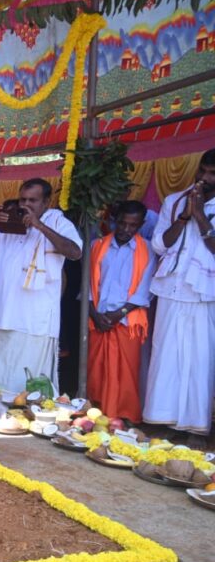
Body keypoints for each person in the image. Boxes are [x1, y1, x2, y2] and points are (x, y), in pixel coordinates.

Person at [0, 178, 82, 393]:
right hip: (4, 315)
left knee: (31, 380)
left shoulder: (58, 222)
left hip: (36, 320)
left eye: (32, 200)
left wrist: (38, 225)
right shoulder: (9, 220)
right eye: (23, 199)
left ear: (47, 202)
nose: (26, 205)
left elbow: (74, 252)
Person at [143, 150, 215, 439]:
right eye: (203, 171)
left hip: (203, 293)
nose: (205, 178)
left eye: (212, 174)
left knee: (199, 359)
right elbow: (159, 245)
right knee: (166, 355)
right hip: (171, 288)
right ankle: (162, 419)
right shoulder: (174, 201)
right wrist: (185, 216)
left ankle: (194, 426)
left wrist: (200, 216)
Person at [87, 201, 155, 423]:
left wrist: (119, 313)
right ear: (115, 220)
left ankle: (124, 416)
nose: (126, 229)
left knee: (126, 372)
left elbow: (145, 290)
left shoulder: (148, 250)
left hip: (127, 321)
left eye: (132, 225)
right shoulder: (97, 245)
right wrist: (95, 314)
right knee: (96, 370)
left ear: (141, 225)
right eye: (123, 223)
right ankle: (95, 413)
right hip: (98, 319)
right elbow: (88, 285)